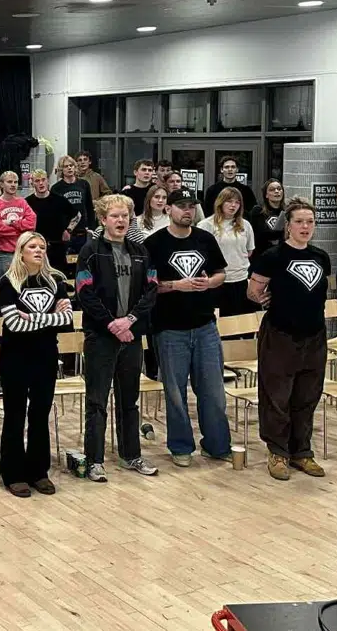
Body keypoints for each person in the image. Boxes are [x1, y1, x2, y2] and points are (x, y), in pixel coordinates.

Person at [143, 189, 233, 468]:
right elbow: (147, 286)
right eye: (181, 206)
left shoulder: (205, 239)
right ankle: (181, 446)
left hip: (205, 325)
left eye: (191, 206)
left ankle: (217, 445)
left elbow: (221, 273)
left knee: (213, 391)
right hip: (169, 329)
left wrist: (211, 283)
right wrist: (175, 286)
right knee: (175, 392)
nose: (187, 211)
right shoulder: (154, 243)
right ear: (168, 209)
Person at [75, 195, 158, 482]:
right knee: (97, 401)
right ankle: (95, 460)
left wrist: (130, 320)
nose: (121, 221)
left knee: (129, 399)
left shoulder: (141, 251)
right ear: (103, 220)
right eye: (115, 216)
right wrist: (112, 323)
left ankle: (130, 454)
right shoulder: (90, 251)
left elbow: (151, 289)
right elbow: (84, 292)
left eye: (125, 216)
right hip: (101, 336)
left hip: (132, 334)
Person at [248, 199, 333, 481]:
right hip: (280, 334)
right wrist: (262, 297)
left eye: (310, 222)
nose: (305, 227)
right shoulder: (272, 256)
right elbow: (253, 291)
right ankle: (277, 451)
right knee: (277, 396)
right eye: (299, 221)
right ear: (288, 225)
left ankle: (302, 452)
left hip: (315, 335)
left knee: (307, 395)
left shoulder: (321, 256)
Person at [0, 232, 74, 497]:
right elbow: (13, 324)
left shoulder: (55, 281)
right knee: (15, 414)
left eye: (42, 246)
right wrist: (49, 316)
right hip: (15, 357)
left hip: (46, 355)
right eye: (32, 246)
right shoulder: (9, 282)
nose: (38, 250)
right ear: (21, 251)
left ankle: (39, 471)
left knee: (40, 414)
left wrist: (32, 317)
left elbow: (66, 321)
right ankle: (13, 473)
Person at [200, 188, 256, 317]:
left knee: (242, 324)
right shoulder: (205, 225)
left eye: (237, 202)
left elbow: (249, 251)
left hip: (240, 280)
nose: (233, 205)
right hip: (217, 281)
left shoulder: (245, 225)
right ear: (221, 202)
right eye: (229, 201)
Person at [24, 170, 78, 276]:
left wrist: (69, 230)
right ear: (32, 184)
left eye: (43, 180)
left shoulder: (60, 200)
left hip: (58, 246)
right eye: (37, 181)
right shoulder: (27, 202)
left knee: (59, 278)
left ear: (48, 181)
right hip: (37, 248)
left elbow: (77, 215)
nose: (41, 183)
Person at [53, 157, 94, 253]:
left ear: (75, 167)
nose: (69, 168)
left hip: (82, 230)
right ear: (61, 170)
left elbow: (89, 207)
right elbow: (56, 213)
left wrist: (92, 227)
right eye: (66, 166)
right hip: (65, 232)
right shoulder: (56, 188)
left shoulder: (84, 184)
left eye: (71, 165)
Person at [248, 179, 287, 256]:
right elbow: (253, 235)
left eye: (279, 189)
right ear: (266, 195)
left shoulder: (287, 212)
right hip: (261, 254)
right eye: (272, 190)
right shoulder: (258, 211)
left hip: (281, 254)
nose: (276, 191)